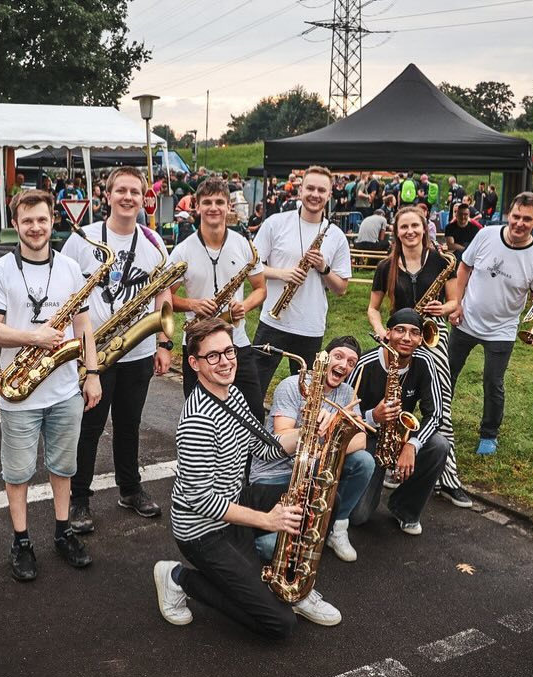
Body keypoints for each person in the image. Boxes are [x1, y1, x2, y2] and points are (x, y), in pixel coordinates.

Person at [152, 317, 343, 636]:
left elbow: (265, 448)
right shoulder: (196, 423)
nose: (225, 362)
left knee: (320, 496)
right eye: (212, 356)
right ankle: (178, 579)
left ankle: (294, 585)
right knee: (279, 624)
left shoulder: (235, 397)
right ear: (194, 363)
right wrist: (267, 521)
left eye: (229, 351)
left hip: (235, 506)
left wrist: (308, 428)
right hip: (204, 532)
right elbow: (202, 501)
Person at [0, 190, 101, 581]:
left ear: (52, 222)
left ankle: (63, 533)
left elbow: (83, 326)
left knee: (63, 466)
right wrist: (35, 338)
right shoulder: (0, 271)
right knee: (17, 473)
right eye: (27, 220)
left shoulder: (68, 268)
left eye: (42, 220)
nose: (35, 227)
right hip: (21, 390)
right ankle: (21, 540)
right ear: (16, 224)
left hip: (65, 390)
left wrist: (92, 373)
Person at [61, 167, 173, 533]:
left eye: (135, 192)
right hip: (95, 352)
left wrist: (164, 342)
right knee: (89, 427)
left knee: (129, 425)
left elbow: (163, 292)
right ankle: (79, 498)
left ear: (144, 198)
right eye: (120, 190)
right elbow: (63, 288)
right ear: (106, 196)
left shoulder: (154, 241)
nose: (128, 197)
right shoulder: (83, 238)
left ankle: (130, 488)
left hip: (137, 350)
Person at [368, 206, 470, 508]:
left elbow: (454, 301)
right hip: (398, 337)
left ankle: (448, 479)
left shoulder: (441, 261)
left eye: (415, 226)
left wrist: (446, 308)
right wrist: (381, 332)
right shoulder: (387, 266)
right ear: (396, 231)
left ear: (425, 228)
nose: (410, 232)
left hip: (432, 334)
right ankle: (392, 460)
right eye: (403, 227)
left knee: (440, 407)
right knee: (395, 401)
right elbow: (374, 308)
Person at [250, 336, 376, 561]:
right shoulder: (292, 385)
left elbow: (360, 441)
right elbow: (281, 434)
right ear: (324, 358)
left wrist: (325, 445)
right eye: (338, 357)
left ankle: (337, 526)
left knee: (364, 462)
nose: (344, 365)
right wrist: (311, 428)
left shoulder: (347, 392)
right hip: (275, 475)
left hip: (310, 471)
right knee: (272, 546)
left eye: (351, 362)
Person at [447, 192, 533, 456]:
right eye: (516, 216)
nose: (519, 223)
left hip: (502, 329)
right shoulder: (485, 235)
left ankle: (489, 435)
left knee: (493, 382)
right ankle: (437, 420)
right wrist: (456, 303)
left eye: (527, 219)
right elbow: (464, 268)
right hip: (466, 318)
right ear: (509, 214)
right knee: (447, 373)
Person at [251, 166, 351, 406]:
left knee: (305, 397)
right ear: (300, 190)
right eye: (310, 188)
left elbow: (342, 288)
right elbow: (251, 267)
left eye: (321, 190)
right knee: (253, 387)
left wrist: (324, 268)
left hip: (310, 327)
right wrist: (282, 274)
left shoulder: (335, 235)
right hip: (273, 322)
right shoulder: (276, 223)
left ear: (329, 195)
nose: (315, 194)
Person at [169, 178, 266, 416]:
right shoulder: (183, 250)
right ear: (197, 207)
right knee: (199, 415)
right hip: (197, 346)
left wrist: (244, 306)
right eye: (207, 202)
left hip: (236, 342)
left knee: (254, 413)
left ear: (228, 207)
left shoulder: (243, 245)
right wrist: (192, 304)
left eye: (220, 202)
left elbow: (261, 289)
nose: (214, 208)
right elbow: (164, 299)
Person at [346, 310, 450, 534]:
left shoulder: (424, 361)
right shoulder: (365, 363)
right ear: (388, 333)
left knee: (439, 445)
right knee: (358, 516)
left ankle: (405, 509)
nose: (406, 338)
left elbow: (436, 414)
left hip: (401, 437)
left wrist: (412, 445)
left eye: (414, 333)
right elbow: (343, 415)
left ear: (421, 339)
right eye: (400, 330)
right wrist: (374, 415)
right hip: (367, 439)